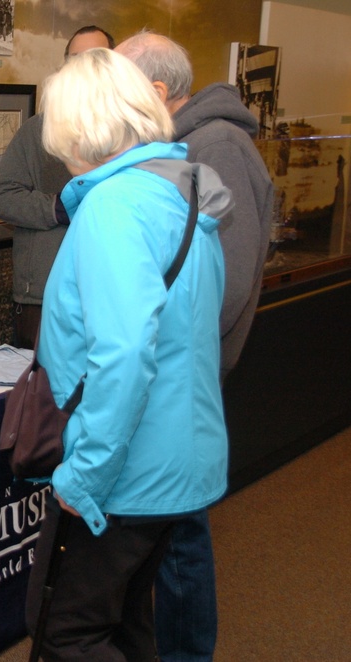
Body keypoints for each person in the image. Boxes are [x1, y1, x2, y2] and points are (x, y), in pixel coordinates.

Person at [24, 48, 233, 661]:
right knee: (128, 626)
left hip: (124, 473)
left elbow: (123, 358)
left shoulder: (114, 208)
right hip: (177, 462)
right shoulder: (183, 196)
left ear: (76, 127)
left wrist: (84, 477)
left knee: (64, 630)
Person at [116, 31, 274, 662]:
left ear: (156, 92)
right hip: (175, 375)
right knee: (171, 539)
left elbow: (224, 290)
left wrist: (154, 351)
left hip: (182, 379)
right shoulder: (191, 144)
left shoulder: (216, 148)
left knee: (180, 545)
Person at [0, 25, 114, 349]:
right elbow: (2, 197)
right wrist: (58, 208)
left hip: (110, 298)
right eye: (75, 59)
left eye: (94, 59)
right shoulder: (37, 131)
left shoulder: (130, 133)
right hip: (43, 301)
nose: (83, 69)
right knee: (42, 397)